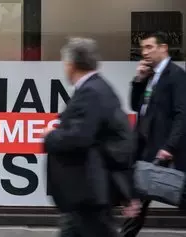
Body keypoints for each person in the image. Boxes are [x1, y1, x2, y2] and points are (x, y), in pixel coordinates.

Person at [43, 37, 139, 237]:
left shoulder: (91, 92)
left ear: (71, 64)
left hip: (87, 192)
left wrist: (51, 136)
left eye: (65, 63)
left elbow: (80, 137)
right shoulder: (98, 88)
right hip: (85, 193)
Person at [120, 32, 186, 237]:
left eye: (149, 47)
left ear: (163, 48)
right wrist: (139, 80)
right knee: (137, 199)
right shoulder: (149, 76)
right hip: (146, 149)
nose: (145, 52)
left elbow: (182, 114)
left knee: (180, 194)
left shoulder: (176, 75)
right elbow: (136, 106)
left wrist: (170, 147)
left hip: (165, 149)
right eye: (143, 48)